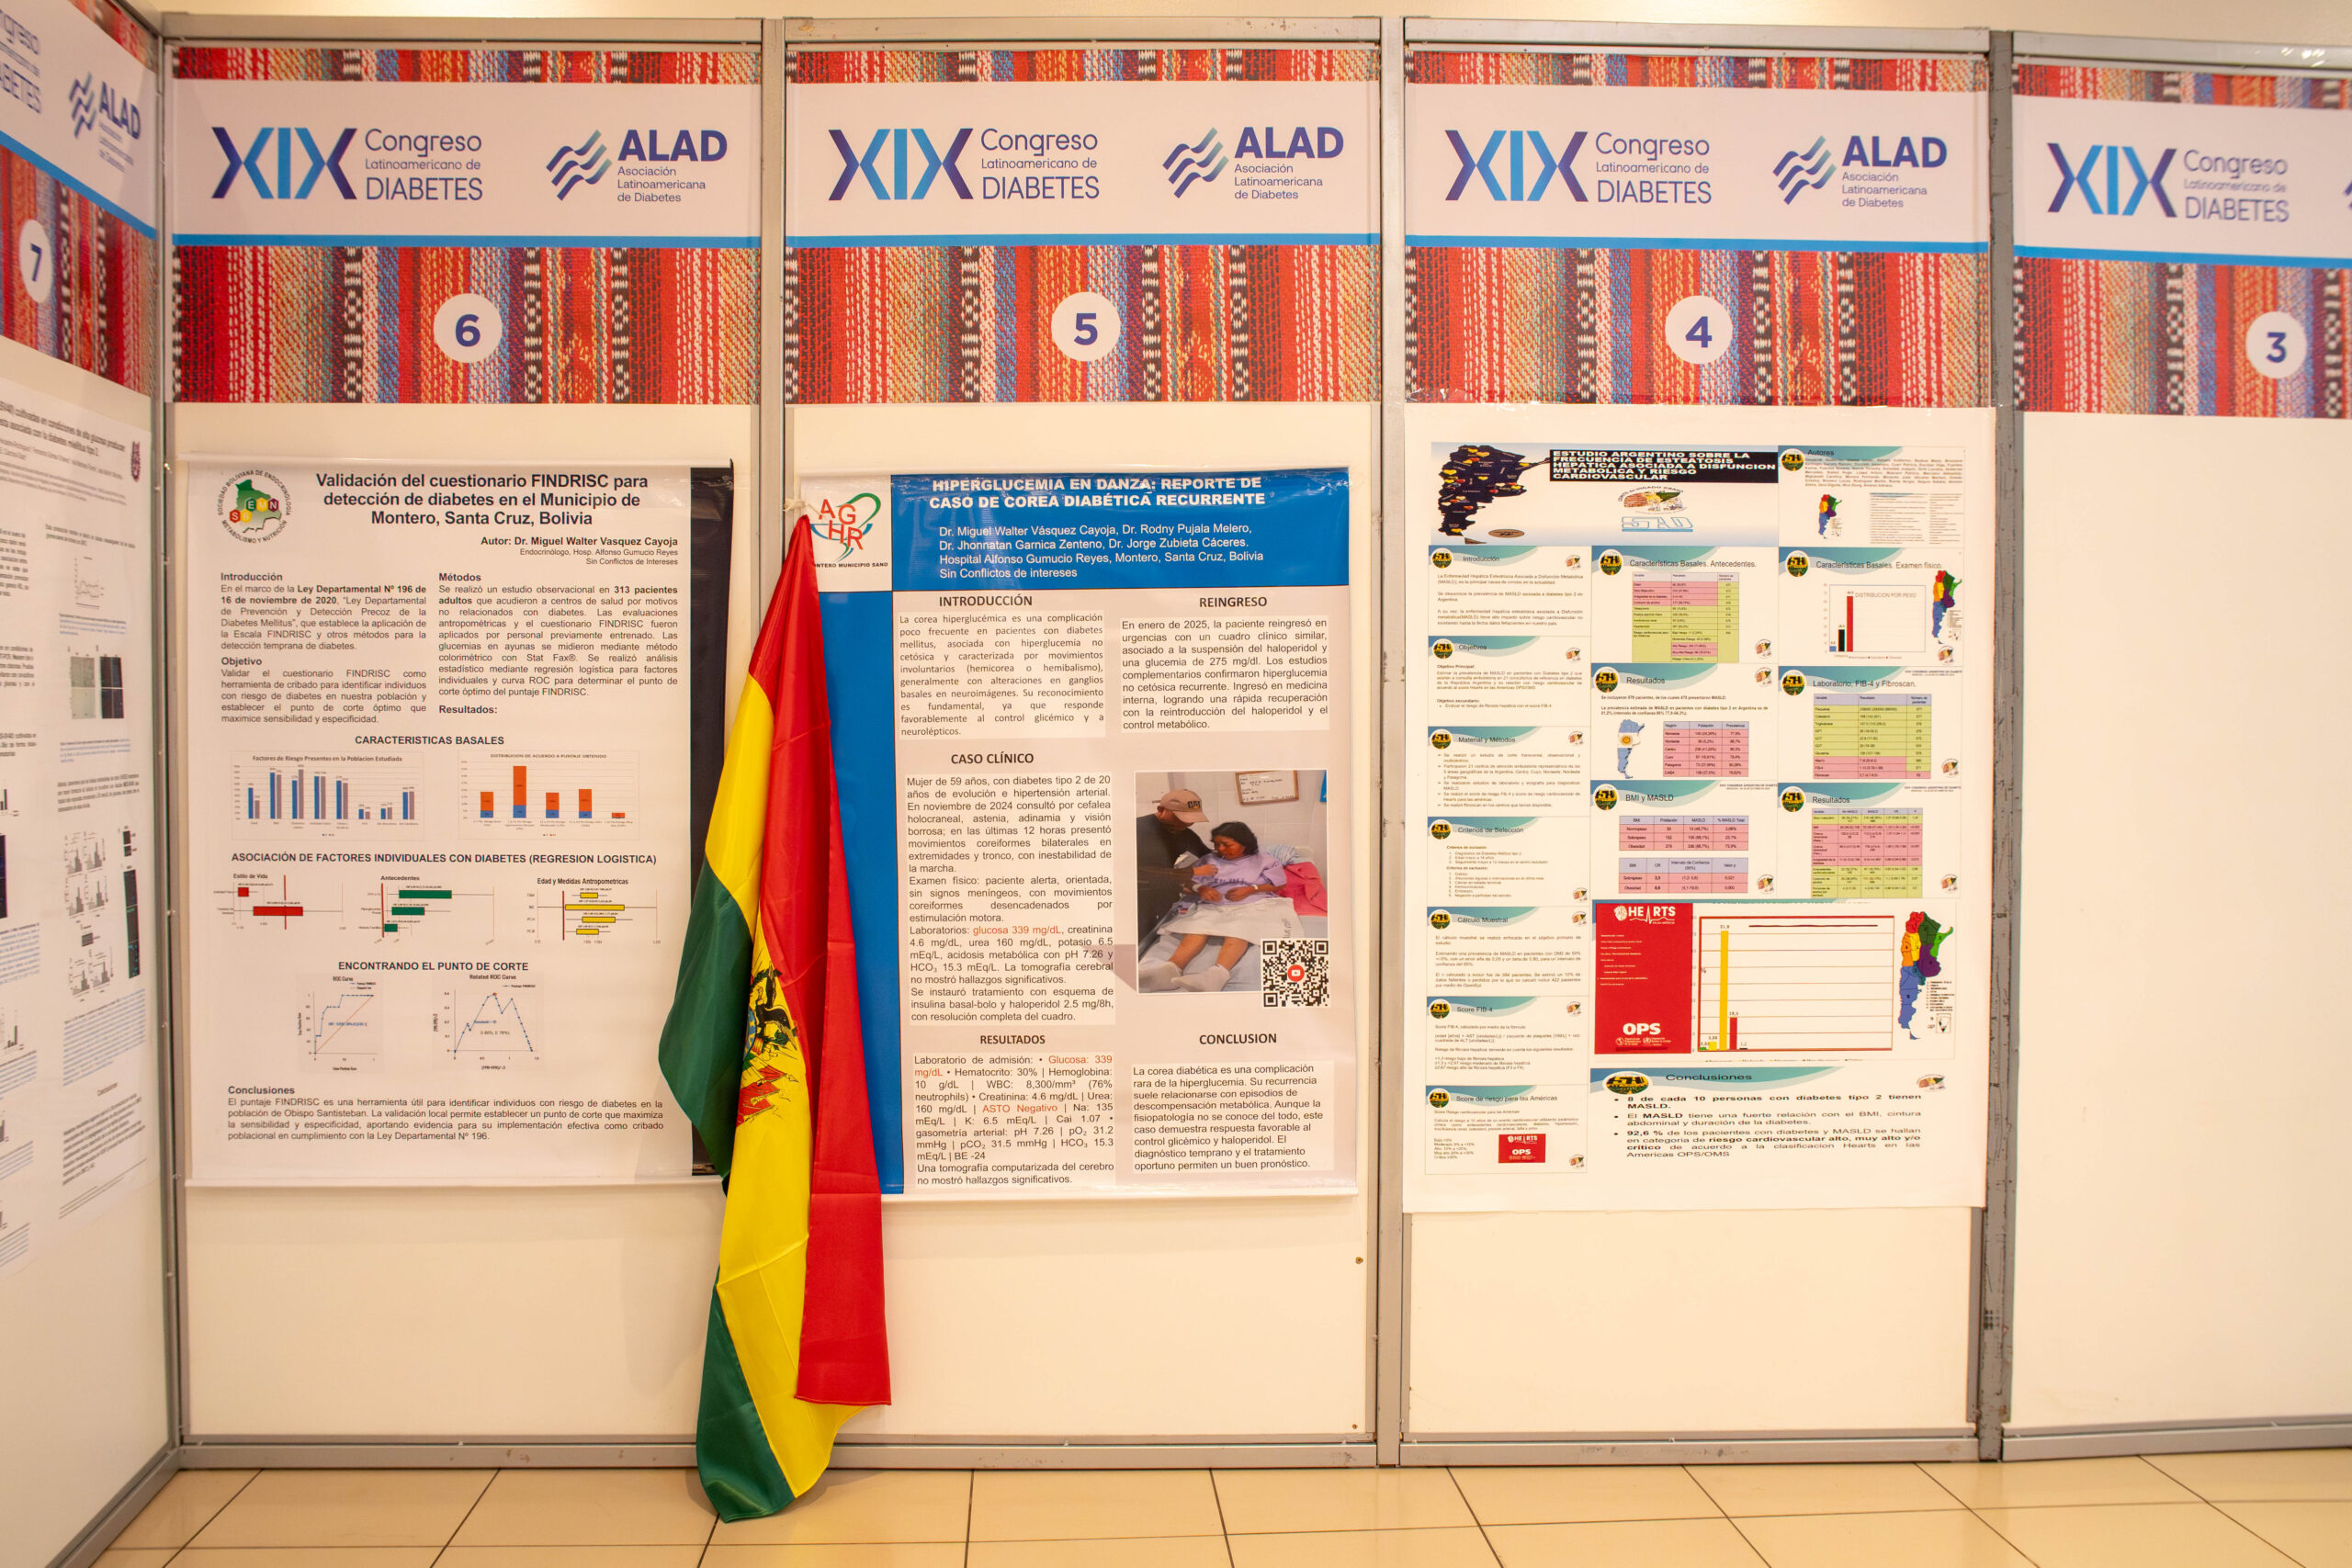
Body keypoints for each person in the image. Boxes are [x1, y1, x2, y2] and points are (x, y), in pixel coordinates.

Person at [1139, 821, 1304, 994]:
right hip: (1214, 905)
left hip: (1251, 904)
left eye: (1226, 844)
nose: (1220, 849)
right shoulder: (1208, 860)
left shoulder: (1264, 860)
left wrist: (1250, 889)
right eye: (1216, 844)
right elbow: (1187, 881)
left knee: (1238, 929)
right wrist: (1200, 888)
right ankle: (1170, 969)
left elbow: (1278, 884)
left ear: (1244, 844)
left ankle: (1216, 975)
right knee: (1197, 928)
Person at [1136, 787, 1213, 942]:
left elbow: (1207, 855)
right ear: (1161, 810)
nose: (1187, 823)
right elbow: (1138, 871)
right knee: (1141, 937)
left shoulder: (1184, 832)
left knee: (1162, 933)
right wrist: (1192, 873)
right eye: (1181, 818)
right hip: (1138, 896)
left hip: (1165, 892)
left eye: (1191, 819)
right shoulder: (1137, 830)